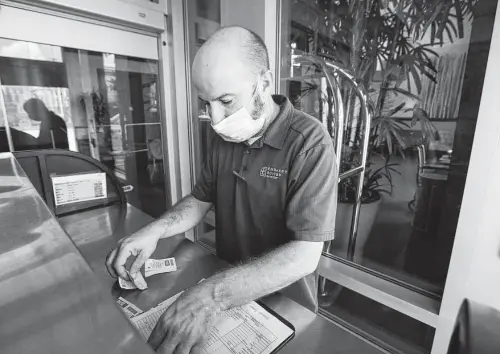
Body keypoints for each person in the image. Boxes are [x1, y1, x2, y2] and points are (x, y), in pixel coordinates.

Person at [106, 26, 338, 353]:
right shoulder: (224, 137)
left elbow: (304, 255)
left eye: (225, 101)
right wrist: (154, 231)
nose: (215, 118)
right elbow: (201, 200)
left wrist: (207, 298)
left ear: (265, 83)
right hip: (224, 288)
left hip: (283, 305)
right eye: (206, 103)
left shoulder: (308, 143)